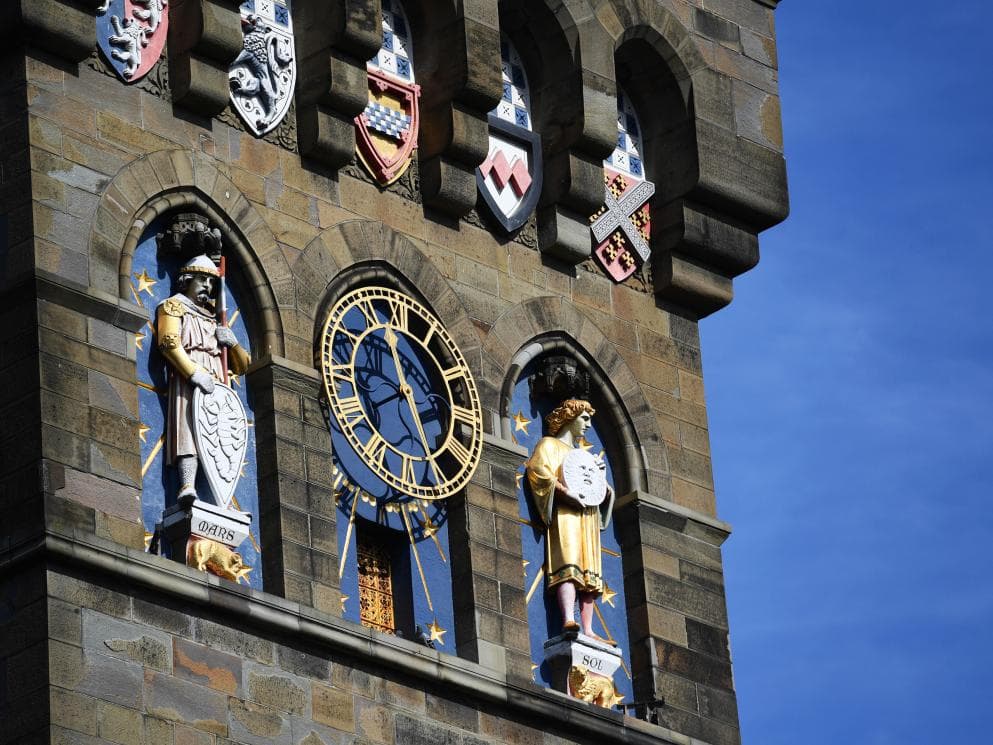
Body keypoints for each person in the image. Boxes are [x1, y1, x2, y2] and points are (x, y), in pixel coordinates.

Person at [156, 255, 250, 504]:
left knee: (218, 435)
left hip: (217, 383)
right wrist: (194, 373)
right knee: (188, 430)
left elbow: (242, 366)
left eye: (211, 281)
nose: (207, 285)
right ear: (187, 280)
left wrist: (233, 343)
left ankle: (221, 497)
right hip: (189, 378)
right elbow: (169, 343)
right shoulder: (173, 306)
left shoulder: (214, 319)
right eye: (202, 279)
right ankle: (187, 484)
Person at [525, 399, 615, 641]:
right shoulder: (549, 445)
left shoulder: (582, 456)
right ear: (569, 417)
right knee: (569, 562)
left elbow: (602, 491)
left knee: (589, 571)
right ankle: (568, 617)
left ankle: (588, 629)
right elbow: (538, 471)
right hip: (565, 515)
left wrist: (603, 485)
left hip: (586, 518)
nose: (588, 425)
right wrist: (566, 493)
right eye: (584, 418)